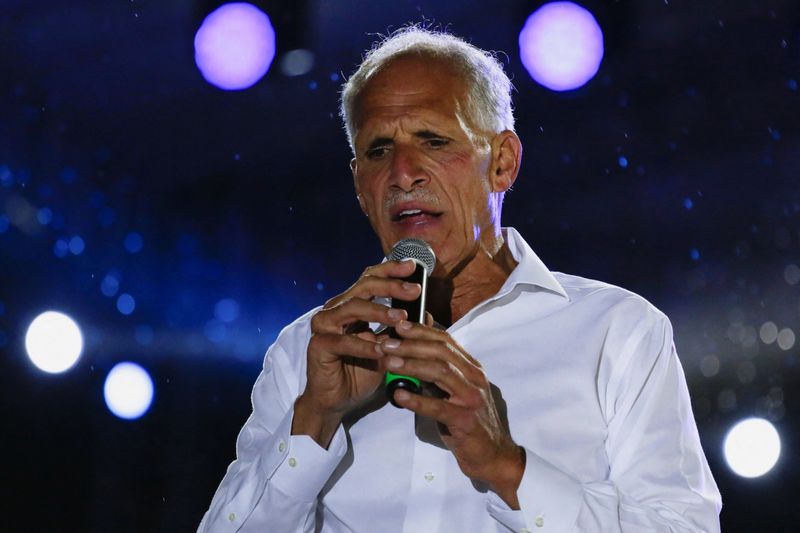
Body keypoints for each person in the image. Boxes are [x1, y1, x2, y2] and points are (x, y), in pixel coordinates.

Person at [198, 27, 721, 532]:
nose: (403, 173)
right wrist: (315, 418)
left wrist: (505, 465)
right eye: (379, 150)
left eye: (433, 140)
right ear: (360, 187)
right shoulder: (306, 351)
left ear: (503, 163)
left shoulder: (617, 331)